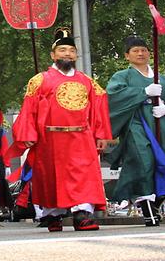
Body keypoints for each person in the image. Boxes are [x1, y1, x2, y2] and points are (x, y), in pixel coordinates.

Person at [10, 27, 112, 232]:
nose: (67, 54)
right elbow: (29, 108)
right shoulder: (40, 80)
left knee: (84, 175)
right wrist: (28, 135)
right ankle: (52, 214)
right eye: (62, 50)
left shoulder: (87, 81)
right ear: (53, 55)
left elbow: (99, 105)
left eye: (71, 51)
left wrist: (101, 134)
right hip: (50, 137)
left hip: (81, 136)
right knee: (51, 176)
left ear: (76, 55)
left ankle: (82, 214)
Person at [106, 35, 165, 227]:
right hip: (137, 123)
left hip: (161, 122)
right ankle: (148, 208)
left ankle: (156, 203)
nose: (140, 53)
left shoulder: (162, 79)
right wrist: (143, 93)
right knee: (144, 161)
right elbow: (113, 97)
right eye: (135, 50)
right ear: (127, 55)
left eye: (144, 50)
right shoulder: (122, 77)